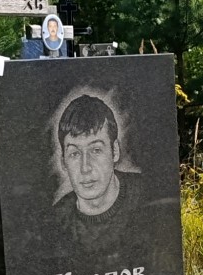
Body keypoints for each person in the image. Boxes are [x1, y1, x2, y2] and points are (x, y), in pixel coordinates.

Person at [51, 92, 142, 252]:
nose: (85, 167)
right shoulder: (54, 224)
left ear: (115, 151)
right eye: (74, 153)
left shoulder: (147, 194)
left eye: (96, 150)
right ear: (63, 162)